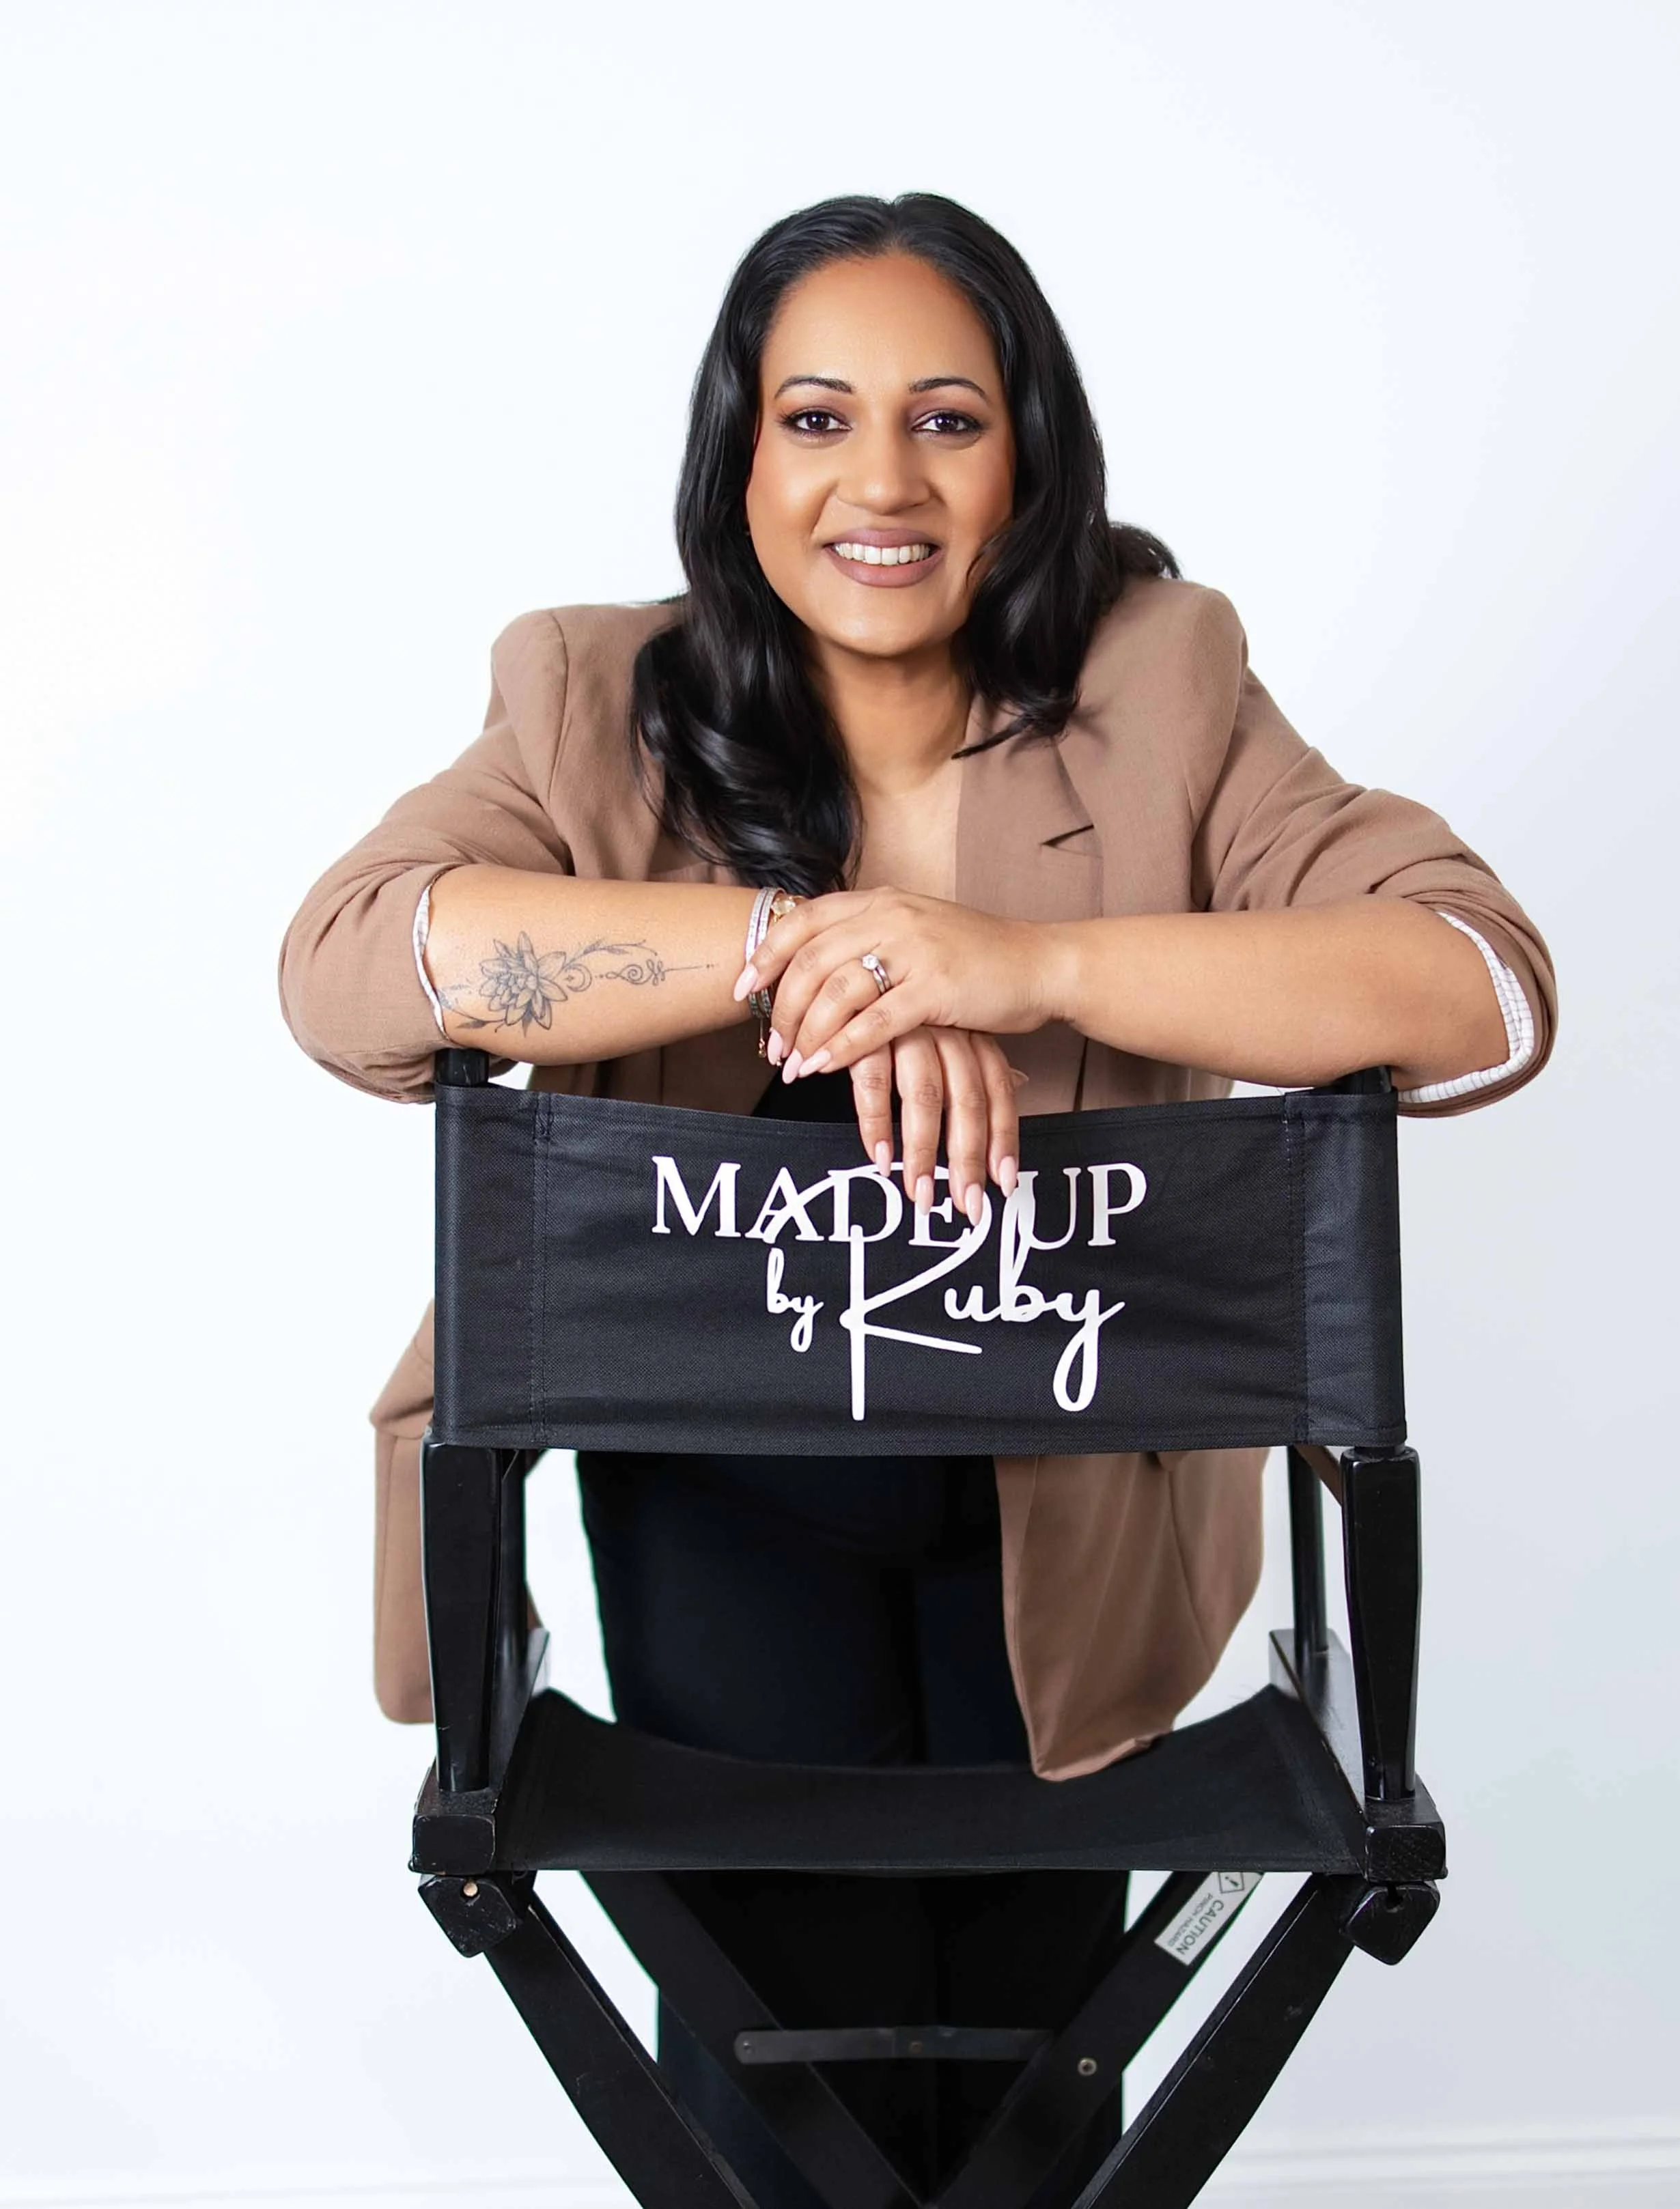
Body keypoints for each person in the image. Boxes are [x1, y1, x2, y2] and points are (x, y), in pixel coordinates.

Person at [279, 193, 1555, 2203]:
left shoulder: (1164, 683)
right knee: (770, 2071)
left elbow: (1475, 987)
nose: (880, 481)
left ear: (1026, 453)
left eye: (946, 419)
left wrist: (1016, 964)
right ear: (740, 455)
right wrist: (823, 947)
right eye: (816, 418)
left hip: (1074, 1489)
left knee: (1039, 2079)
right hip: (718, 1486)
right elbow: (349, 970)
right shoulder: (587, 693)